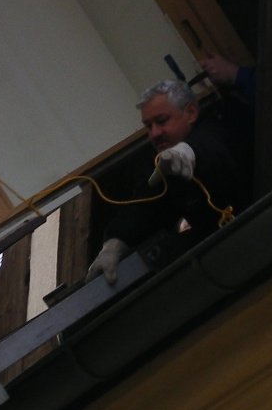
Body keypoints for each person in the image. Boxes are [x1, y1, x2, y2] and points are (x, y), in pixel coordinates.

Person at [86, 69, 251, 285]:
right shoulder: (165, 163)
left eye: (162, 121)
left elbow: (213, 149)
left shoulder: (217, 131)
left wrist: (188, 153)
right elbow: (145, 208)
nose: (154, 133)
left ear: (191, 112)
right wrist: (112, 247)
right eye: (148, 126)